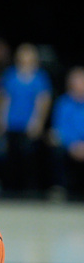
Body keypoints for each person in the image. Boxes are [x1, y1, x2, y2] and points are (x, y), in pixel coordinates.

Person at [0, 42, 52, 195]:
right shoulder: (11, 75)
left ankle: (29, 188)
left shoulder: (40, 77)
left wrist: (37, 121)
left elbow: (43, 100)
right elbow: (4, 97)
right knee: (10, 156)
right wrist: (0, 118)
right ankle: (10, 187)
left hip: (28, 123)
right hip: (11, 122)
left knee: (28, 157)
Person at [49, 66, 84, 200]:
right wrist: (72, 144)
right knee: (55, 143)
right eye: (76, 81)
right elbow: (59, 128)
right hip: (70, 146)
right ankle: (60, 186)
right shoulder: (63, 103)